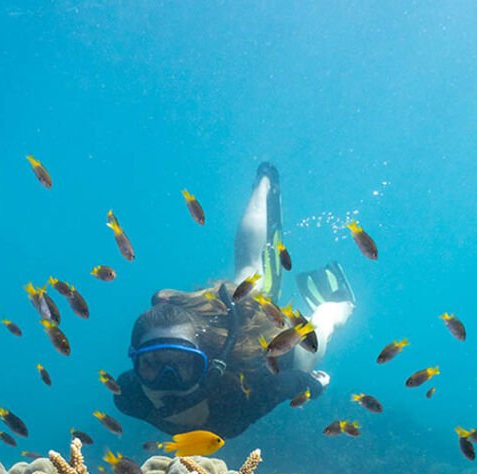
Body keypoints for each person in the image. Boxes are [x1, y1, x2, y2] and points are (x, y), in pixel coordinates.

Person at [114, 163, 355, 439]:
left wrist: (316, 383)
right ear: (135, 365)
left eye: (183, 364)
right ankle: (264, 183)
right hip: (232, 317)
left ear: (206, 360)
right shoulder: (127, 396)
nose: (168, 381)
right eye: (151, 364)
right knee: (248, 273)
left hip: (271, 348)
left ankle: (338, 303)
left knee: (315, 332)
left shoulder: (251, 387)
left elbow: (300, 380)